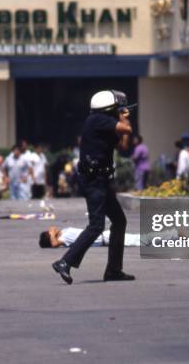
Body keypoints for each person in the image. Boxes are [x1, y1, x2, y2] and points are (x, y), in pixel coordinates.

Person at [52, 90, 135, 285]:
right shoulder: (98, 120)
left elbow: (123, 143)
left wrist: (123, 120)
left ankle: (114, 270)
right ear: (109, 109)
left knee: (119, 222)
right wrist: (124, 119)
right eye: (117, 109)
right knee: (96, 225)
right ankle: (65, 262)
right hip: (94, 181)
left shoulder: (103, 124)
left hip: (101, 181)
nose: (120, 112)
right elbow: (127, 130)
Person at [40, 226, 141, 248]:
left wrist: (53, 233)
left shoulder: (63, 232)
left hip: (105, 234)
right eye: (49, 231)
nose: (51, 228)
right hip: (105, 238)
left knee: (135, 238)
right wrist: (52, 234)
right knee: (136, 240)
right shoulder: (64, 238)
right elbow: (54, 244)